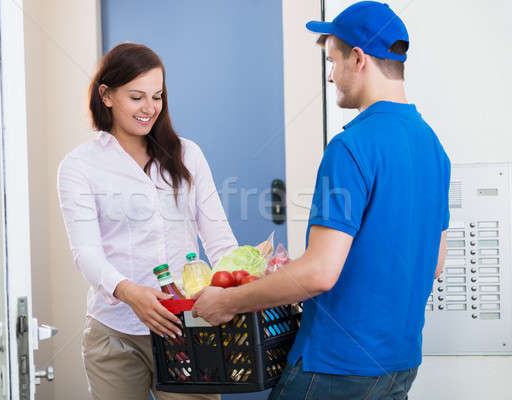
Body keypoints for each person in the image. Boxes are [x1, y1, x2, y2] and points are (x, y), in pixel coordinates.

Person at [191, 2, 450, 399]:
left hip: (335, 366)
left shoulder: (351, 146)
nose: (331, 76)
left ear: (358, 59)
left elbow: (319, 274)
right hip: (398, 365)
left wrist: (229, 301)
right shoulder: (433, 147)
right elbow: (432, 263)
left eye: (333, 61)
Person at [57, 43, 237, 400]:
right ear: (106, 95)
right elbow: (86, 254)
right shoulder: (79, 166)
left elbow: (219, 239)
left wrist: (238, 289)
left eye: (157, 96)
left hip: (186, 326)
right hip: (115, 333)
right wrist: (130, 293)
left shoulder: (187, 155)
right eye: (136, 97)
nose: (150, 108)